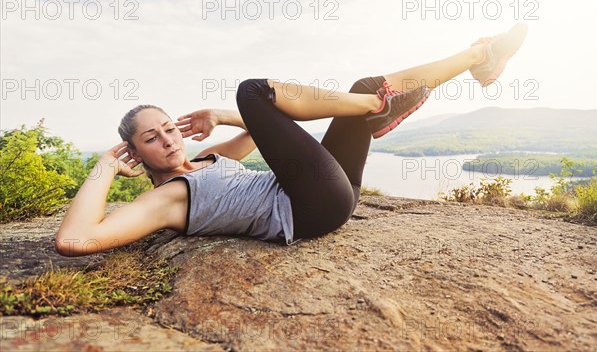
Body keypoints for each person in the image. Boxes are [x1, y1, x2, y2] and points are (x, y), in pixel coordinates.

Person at [55, 23, 528, 256]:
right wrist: (103, 166)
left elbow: (258, 134)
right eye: (152, 139)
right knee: (252, 91)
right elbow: (76, 239)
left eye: (169, 128)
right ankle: (378, 107)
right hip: (308, 207)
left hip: (335, 190)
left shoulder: (207, 160)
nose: (168, 140)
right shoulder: (168, 199)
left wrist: (219, 116)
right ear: (135, 154)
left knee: (363, 86)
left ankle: (477, 59)